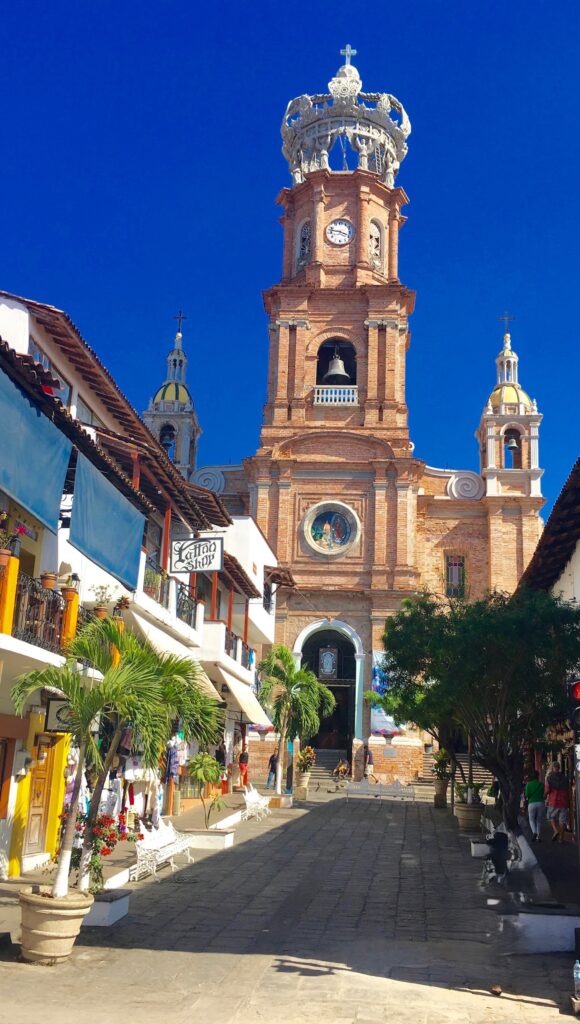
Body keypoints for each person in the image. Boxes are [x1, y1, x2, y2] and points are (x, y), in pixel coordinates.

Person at [545, 761, 570, 843]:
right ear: (559, 768)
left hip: (553, 801)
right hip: (564, 801)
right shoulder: (565, 777)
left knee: (552, 817)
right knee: (562, 821)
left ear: (553, 768)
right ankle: (561, 839)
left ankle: (556, 831)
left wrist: (544, 796)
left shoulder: (549, 778)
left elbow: (547, 790)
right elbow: (568, 789)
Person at [524, 769, 545, 842]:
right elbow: (543, 794)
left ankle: (534, 832)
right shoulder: (541, 784)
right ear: (538, 776)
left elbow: (527, 795)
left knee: (531, 819)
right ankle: (538, 837)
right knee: (539, 820)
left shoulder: (528, 784)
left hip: (532, 803)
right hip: (541, 803)